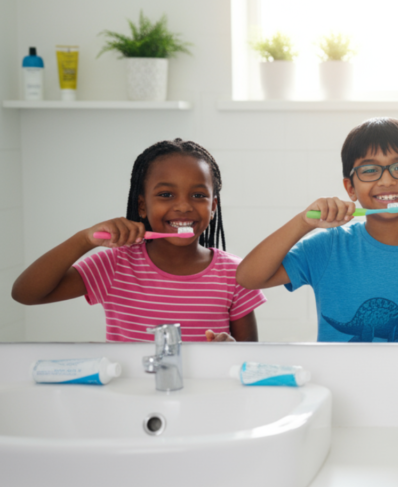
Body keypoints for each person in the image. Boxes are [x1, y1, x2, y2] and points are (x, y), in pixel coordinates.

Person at [236, 117, 398, 342]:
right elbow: (248, 277)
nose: (386, 181)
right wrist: (303, 222)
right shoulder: (327, 246)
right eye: (370, 170)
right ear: (350, 188)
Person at [11, 139, 264, 342]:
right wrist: (85, 239)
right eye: (166, 194)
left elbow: (248, 355)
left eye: (198, 195)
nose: (184, 206)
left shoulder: (236, 273)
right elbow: (26, 293)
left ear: (213, 207)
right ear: (142, 205)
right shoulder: (116, 265)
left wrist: (229, 350)